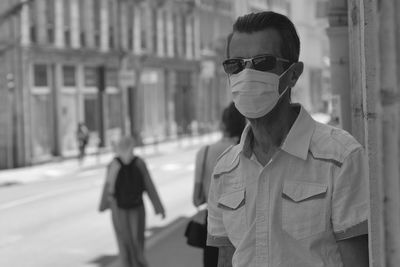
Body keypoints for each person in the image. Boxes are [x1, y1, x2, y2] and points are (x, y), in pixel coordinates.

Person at [207, 11, 369, 267]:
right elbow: (227, 260)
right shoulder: (224, 171)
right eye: (235, 65)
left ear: (293, 74)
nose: (247, 74)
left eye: (262, 62)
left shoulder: (340, 158)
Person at [192, 102, 246, 267]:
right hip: (242, 226)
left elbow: (196, 199)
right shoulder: (246, 150)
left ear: (222, 124)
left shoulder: (205, 152)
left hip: (213, 228)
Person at [98, 136, 165, 267]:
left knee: (123, 242)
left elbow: (108, 187)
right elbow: (149, 186)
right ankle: (139, 263)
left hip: (118, 209)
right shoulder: (139, 162)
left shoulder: (114, 164)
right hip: (138, 209)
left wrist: (103, 205)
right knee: (138, 241)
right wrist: (159, 207)